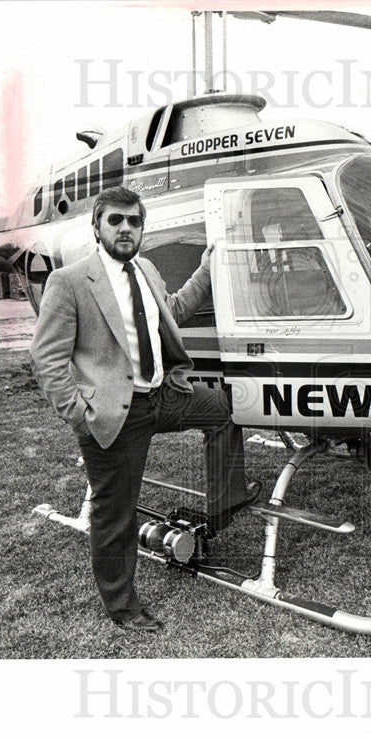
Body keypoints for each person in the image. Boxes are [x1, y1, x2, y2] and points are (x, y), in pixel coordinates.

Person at [30, 186, 260, 633]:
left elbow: (170, 312)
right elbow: (46, 357)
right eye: (115, 220)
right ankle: (122, 606)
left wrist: (205, 272)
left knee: (223, 411)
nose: (125, 229)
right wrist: (80, 413)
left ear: (142, 229)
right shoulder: (71, 281)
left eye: (134, 222)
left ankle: (226, 500)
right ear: (96, 226)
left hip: (164, 396)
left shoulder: (148, 270)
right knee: (115, 513)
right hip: (115, 413)